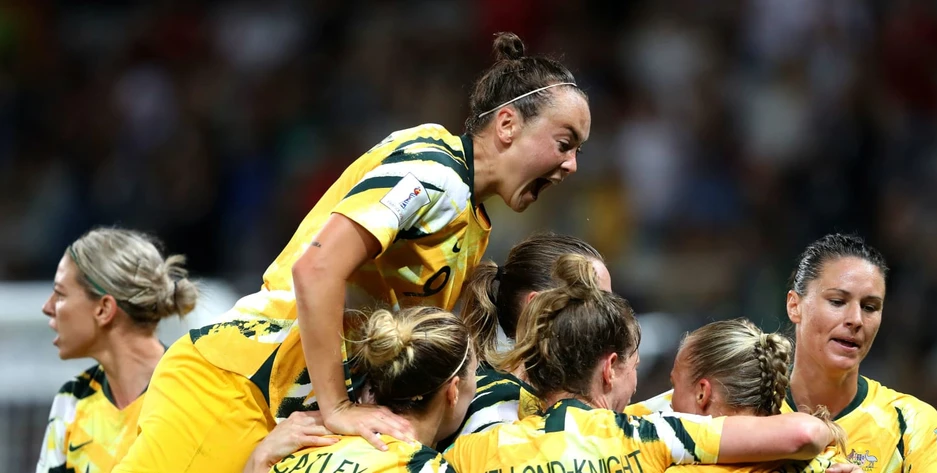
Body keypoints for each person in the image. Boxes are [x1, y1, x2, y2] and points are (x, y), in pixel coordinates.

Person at [113, 31, 590, 473]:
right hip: (236, 385)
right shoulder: (433, 174)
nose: (571, 165)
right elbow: (316, 268)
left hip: (283, 403)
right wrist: (337, 407)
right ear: (507, 124)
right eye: (564, 143)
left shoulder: (470, 218)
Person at [445, 255, 842, 473]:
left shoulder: (474, 450)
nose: (638, 386)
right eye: (633, 368)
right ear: (609, 369)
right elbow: (800, 434)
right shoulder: (647, 437)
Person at [780, 234, 937, 472]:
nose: (856, 320)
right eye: (837, 301)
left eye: (869, 307)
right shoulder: (748, 410)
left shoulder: (911, 424)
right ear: (794, 306)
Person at [35, 228, 199, 473]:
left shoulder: (194, 395)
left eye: (60, 294)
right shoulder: (71, 400)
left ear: (104, 309)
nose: (47, 307)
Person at [245, 307, 477, 473]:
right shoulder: (427, 468)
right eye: (475, 373)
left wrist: (259, 460)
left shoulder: (300, 444)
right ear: (453, 390)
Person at [435, 233, 610, 448]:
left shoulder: (548, 397)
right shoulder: (496, 403)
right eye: (599, 305)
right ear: (539, 308)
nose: (612, 318)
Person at [666, 318, 858, 473]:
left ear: (702, 393)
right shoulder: (829, 460)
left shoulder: (666, 457)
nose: (669, 403)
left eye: (675, 386)